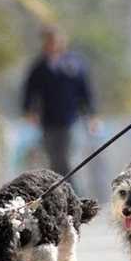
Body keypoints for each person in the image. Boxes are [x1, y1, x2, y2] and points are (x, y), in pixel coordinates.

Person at [22, 25, 97, 178]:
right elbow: (30, 90)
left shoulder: (74, 64)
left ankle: (75, 196)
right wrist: (29, 111)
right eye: (49, 41)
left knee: (68, 159)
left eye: (55, 40)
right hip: (48, 120)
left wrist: (91, 116)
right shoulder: (39, 67)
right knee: (53, 159)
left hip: (70, 119)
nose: (52, 44)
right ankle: (59, 193)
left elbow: (85, 91)